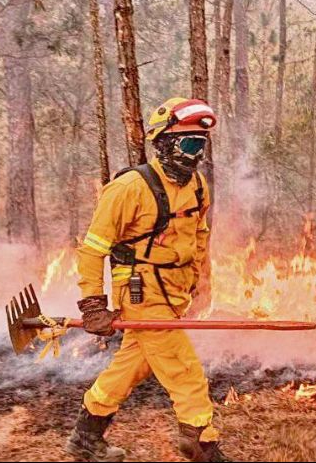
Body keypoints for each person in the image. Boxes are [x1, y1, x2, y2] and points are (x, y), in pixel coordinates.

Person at [66, 98, 228, 462]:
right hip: (141, 293)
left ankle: (85, 437)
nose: (194, 153)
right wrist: (92, 304)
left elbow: (199, 236)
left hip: (174, 294)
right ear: (164, 142)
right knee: (184, 370)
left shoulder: (198, 187)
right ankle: (203, 443)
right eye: (188, 143)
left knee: (132, 365)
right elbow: (93, 249)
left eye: (200, 145)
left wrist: (200, 283)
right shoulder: (128, 188)